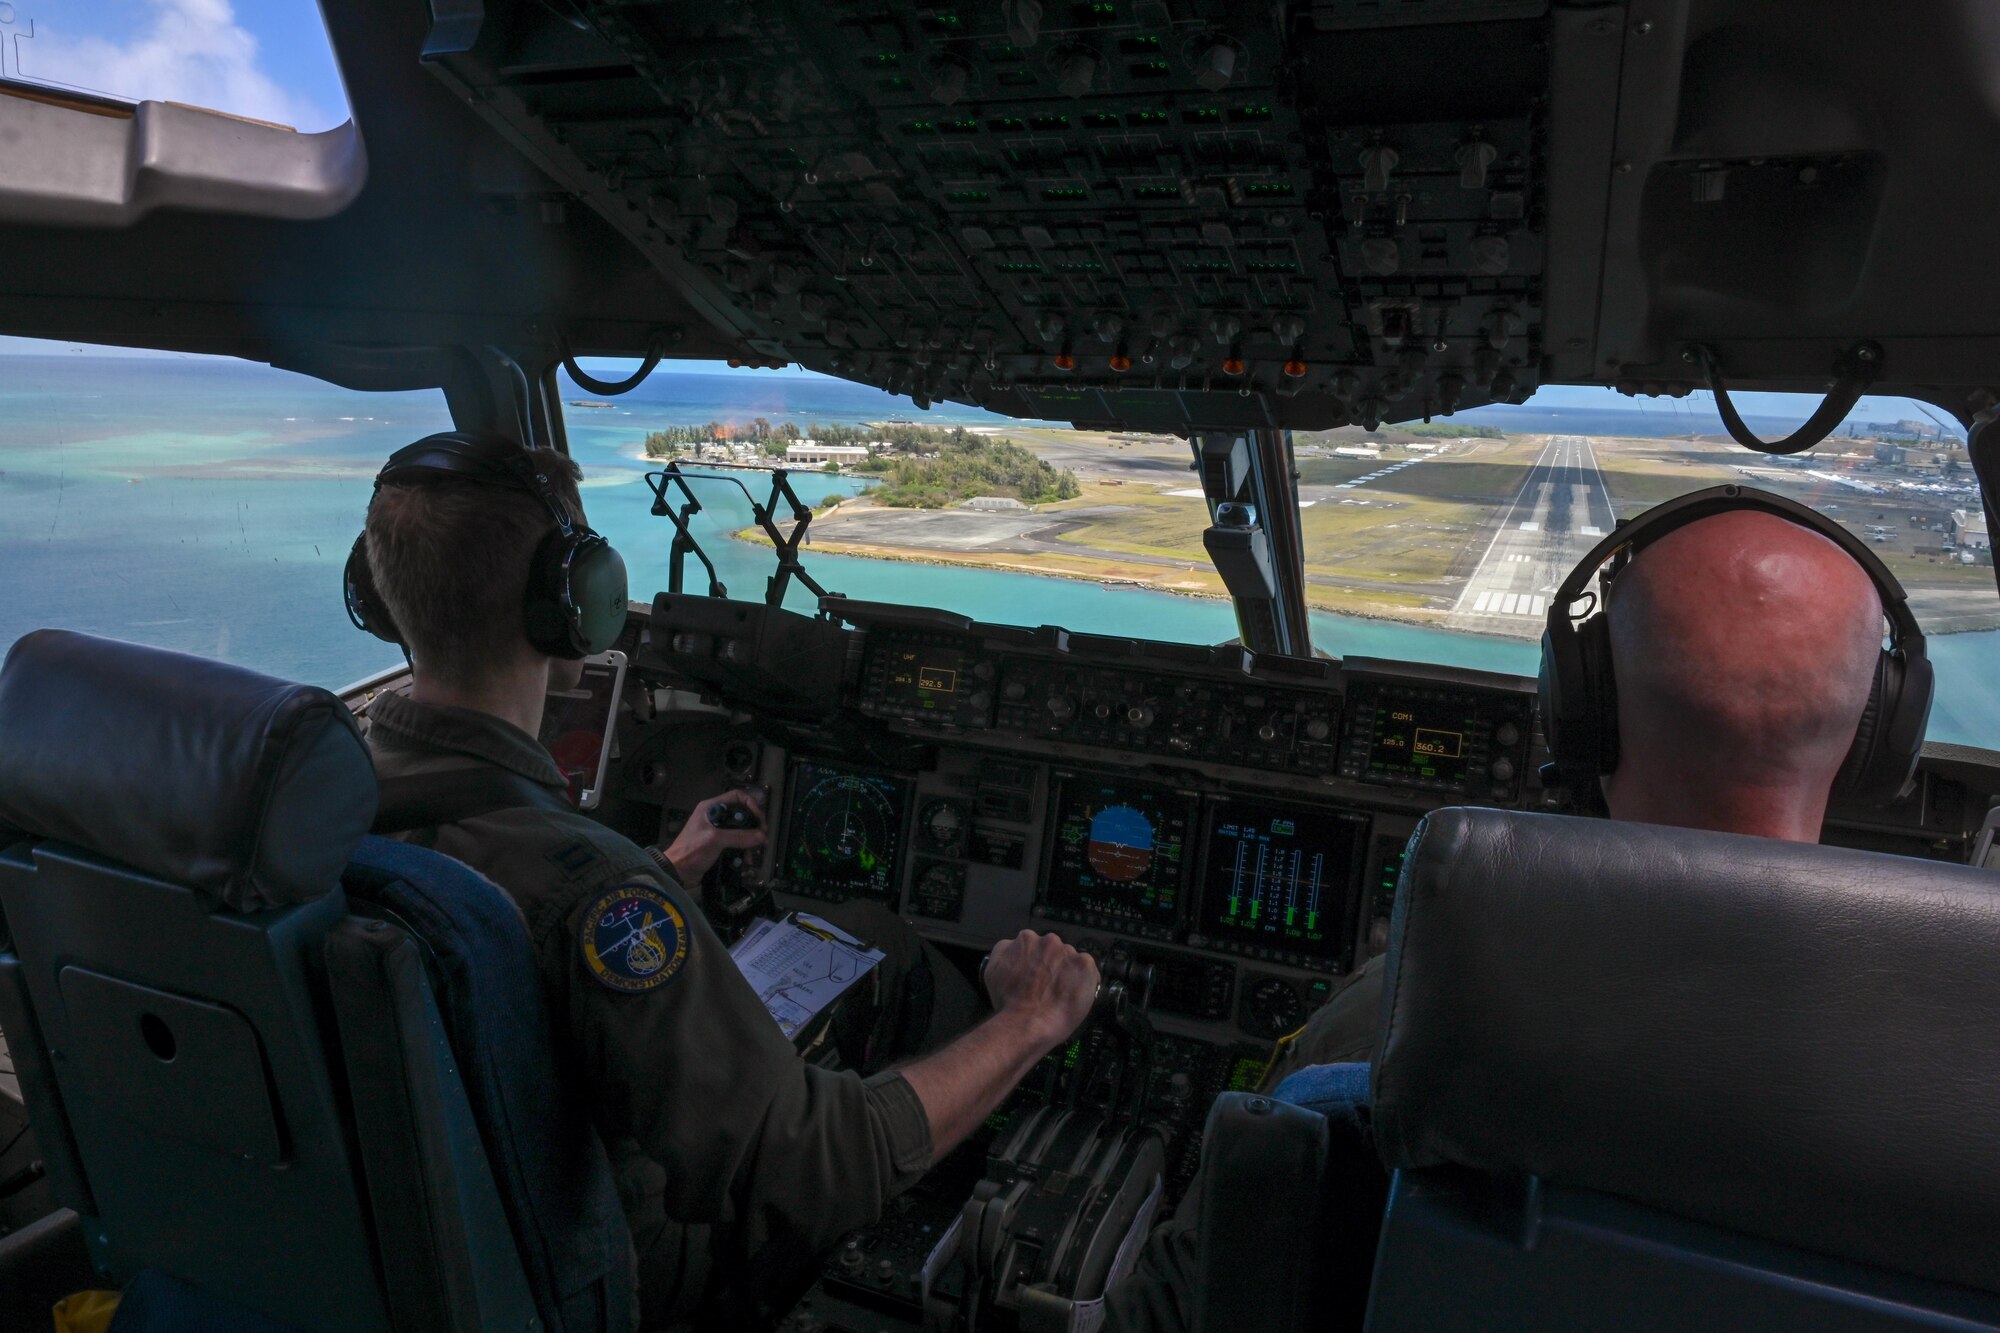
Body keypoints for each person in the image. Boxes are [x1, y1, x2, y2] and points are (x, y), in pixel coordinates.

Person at [356, 434, 1102, 1329]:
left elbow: (505, 934)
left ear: (382, 594)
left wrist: (665, 873)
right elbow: (818, 1167)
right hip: (628, 1279)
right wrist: (1029, 1018)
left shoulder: (317, 808)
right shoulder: (597, 892)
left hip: (423, 1260)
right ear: (573, 607)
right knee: (887, 946)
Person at [1107, 503, 1894, 1333]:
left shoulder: (1397, 1030)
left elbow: (1181, 1304)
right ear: (1880, 734)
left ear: (1583, 710)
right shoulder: (1952, 1069)